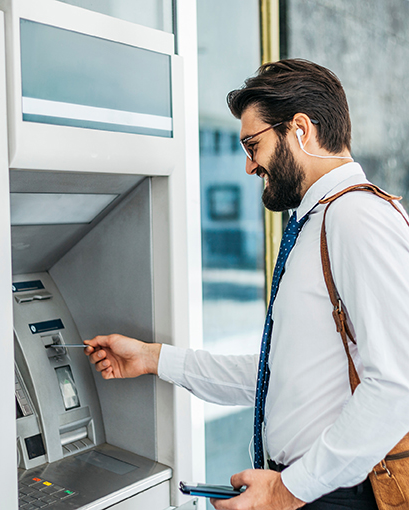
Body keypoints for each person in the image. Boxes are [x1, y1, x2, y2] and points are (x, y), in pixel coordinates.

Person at [84, 59, 409, 510]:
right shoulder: (320, 221)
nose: (250, 166)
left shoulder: (357, 219)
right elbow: (281, 374)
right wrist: (155, 359)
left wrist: (291, 490)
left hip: (336, 493)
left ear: (300, 128)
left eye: (253, 145)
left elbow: (397, 384)